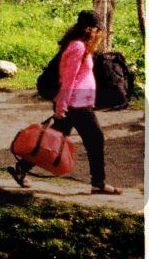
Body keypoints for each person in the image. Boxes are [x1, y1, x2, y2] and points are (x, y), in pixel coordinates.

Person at [11, 10, 120, 195]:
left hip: (74, 104)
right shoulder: (77, 48)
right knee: (95, 139)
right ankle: (98, 184)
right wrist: (62, 106)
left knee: (49, 140)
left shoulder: (80, 46)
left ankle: (21, 169)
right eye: (98, 30)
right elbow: (68, 80)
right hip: (74, 105)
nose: (100, 34)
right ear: (90, 29)